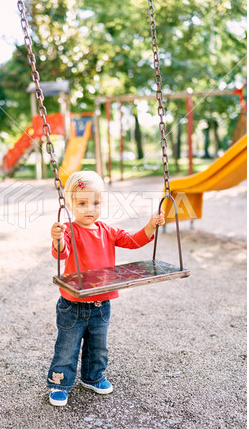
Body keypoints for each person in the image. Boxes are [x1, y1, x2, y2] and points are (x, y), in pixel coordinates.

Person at [47, 171, 165, 406]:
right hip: (73, 304)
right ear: (70, 204)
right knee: (67, 346)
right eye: (82, 203)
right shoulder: (69, 230)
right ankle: (59, 383)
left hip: (101, 304)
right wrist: (57, 238)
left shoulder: (107, 231)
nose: (90, 208)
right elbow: (62, 253)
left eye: (96, 203)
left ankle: (92, 376)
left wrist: (150, 225)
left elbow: (133, 241)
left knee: (98, 346)